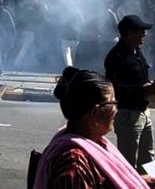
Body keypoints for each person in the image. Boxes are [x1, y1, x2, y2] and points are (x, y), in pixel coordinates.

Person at [34, 67, 153, 188]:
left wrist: (142, 181)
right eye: (113, 103)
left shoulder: (90, 140)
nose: (116, 109)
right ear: (95, 112)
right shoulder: (74, 162)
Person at [105, 14, 155, 171]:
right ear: (129, 33)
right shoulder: (116, 57)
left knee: (149, 158)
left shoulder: (137, 52)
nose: (144, 35)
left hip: (143, 111)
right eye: (141, 31)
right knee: (128, 162)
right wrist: (143, 89)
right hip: (128, 114)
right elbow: (115, 88)